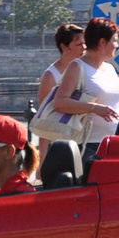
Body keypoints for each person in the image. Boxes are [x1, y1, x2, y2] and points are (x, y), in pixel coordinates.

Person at [49, 17, 119, 150]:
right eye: (115, 41)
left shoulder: (110, 68)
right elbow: (59, 102)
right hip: (89, 144)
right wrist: (94, 108)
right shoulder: (77, 66)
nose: (117, 45)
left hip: (115, 142)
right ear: (102, 42)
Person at [34, 22, 85, 166]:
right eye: (78, 45)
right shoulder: (51, 76)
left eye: (84, 44)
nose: (84, 48)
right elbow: (45, 120)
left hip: (82, 142)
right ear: (64, 47)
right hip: (59, 146)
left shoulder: (85, 69)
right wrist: (42, 160)